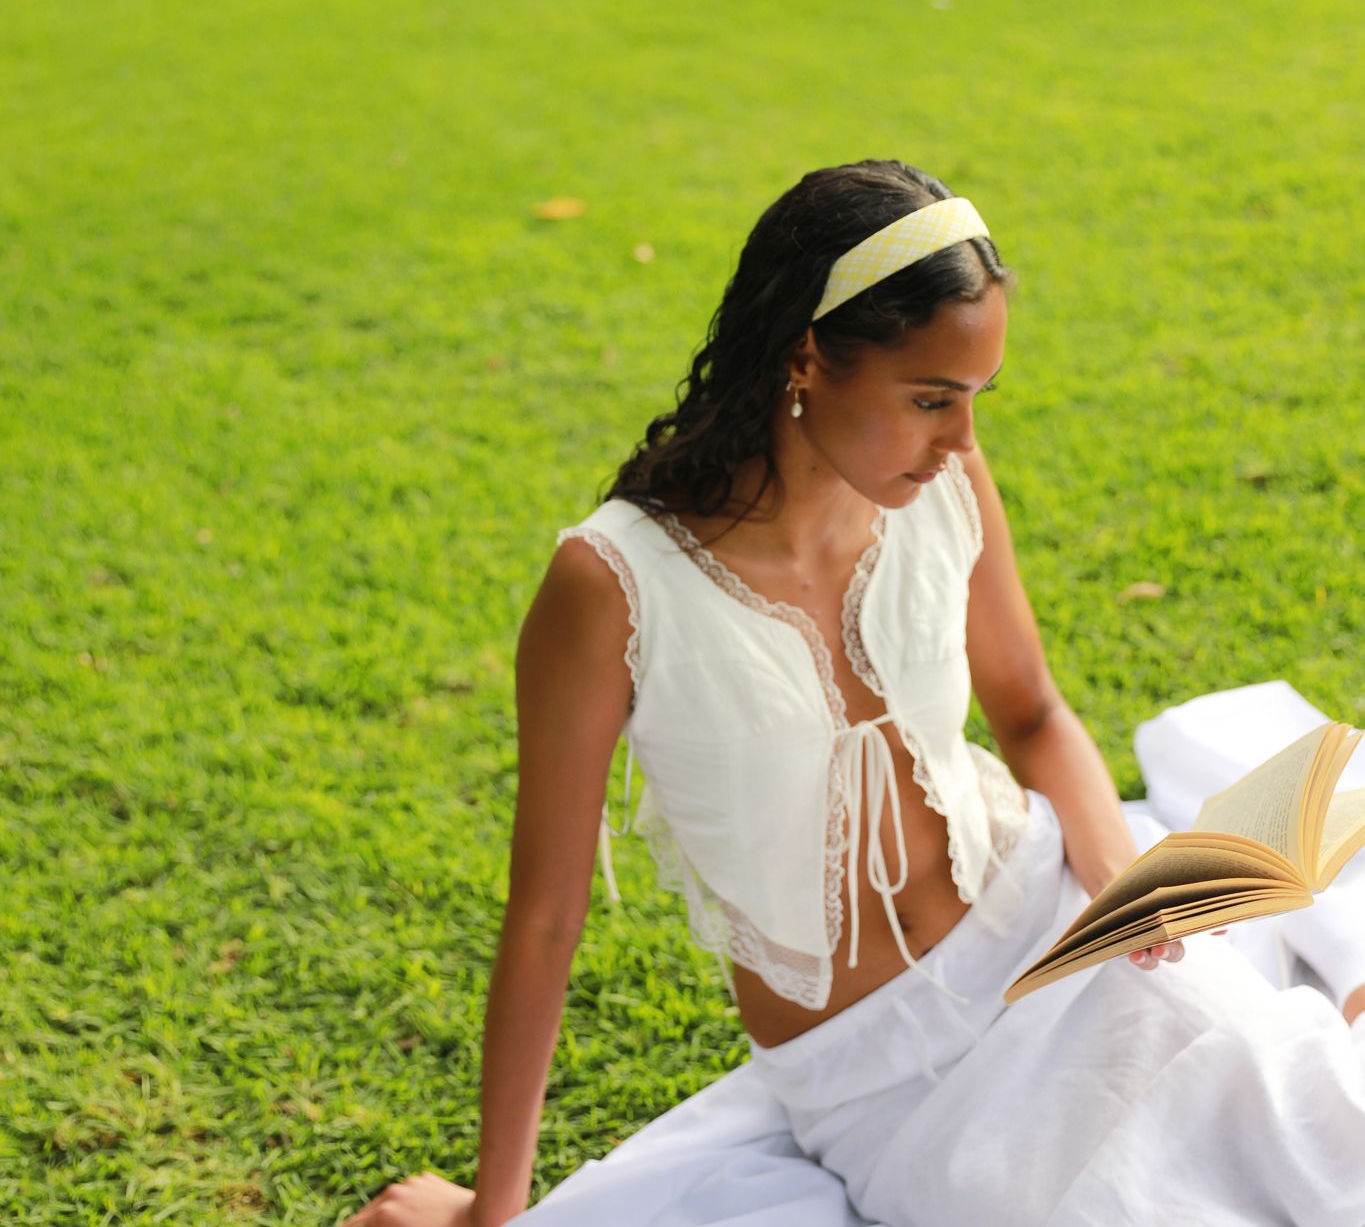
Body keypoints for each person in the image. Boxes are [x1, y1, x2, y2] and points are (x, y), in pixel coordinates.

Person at [342, 161, 1365, 1227]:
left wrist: (1121, 882)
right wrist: (490, 1214)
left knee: (1321, 1139)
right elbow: (547, 920)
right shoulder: (610, 589)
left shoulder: (946, 487)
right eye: (931, 400)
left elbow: (1033, 712)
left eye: (974, 401)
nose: (962, 442)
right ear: (806, 358)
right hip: (883, 1075)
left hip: (1051, 925)